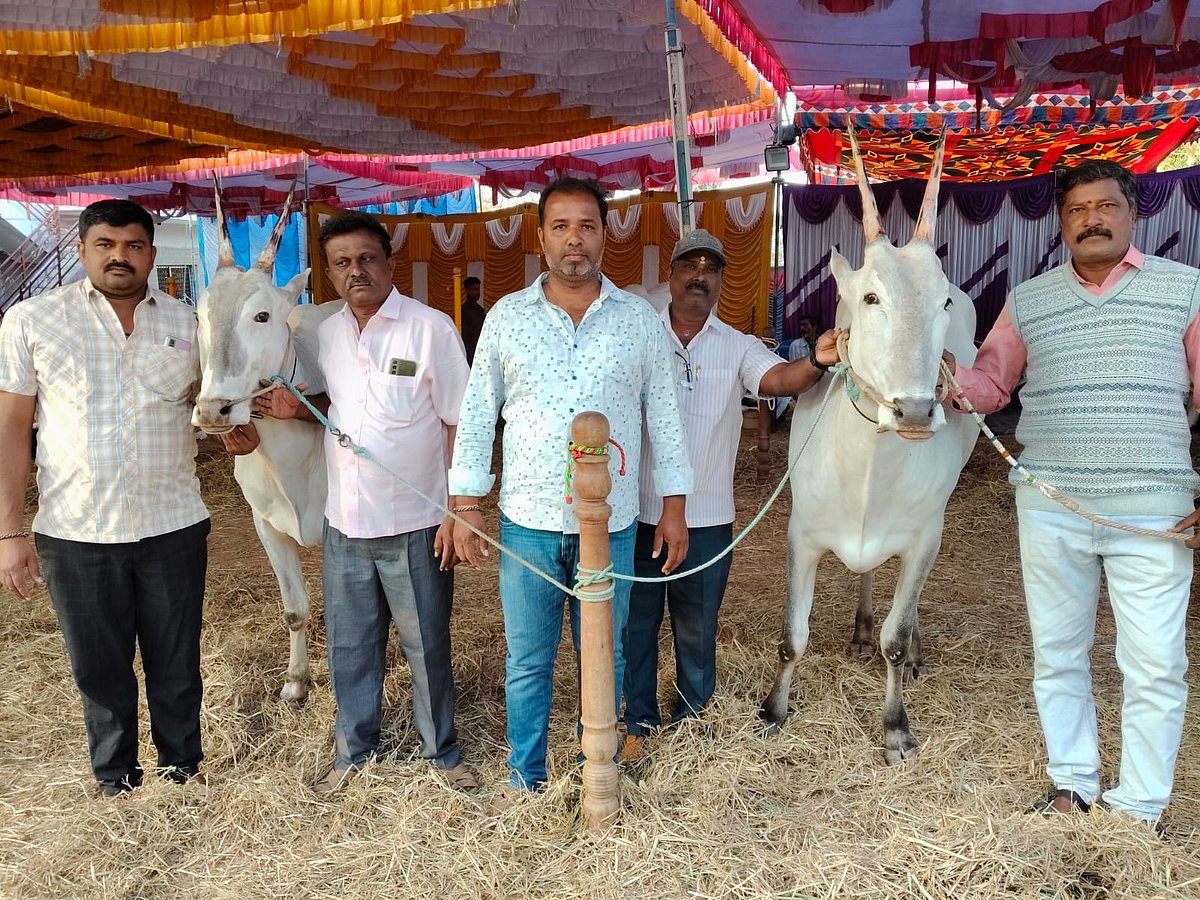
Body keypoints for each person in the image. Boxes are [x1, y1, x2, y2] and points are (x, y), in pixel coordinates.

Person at [944, 159, 1200, 826]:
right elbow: (991, 386)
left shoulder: (1186, 290)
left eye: (1106, 205)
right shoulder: (1029, 300)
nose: (1093, 218)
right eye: (1078, 209)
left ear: (1132, 214)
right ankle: (1073, 783)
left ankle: (1139, 806)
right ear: (1060, 224)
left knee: (1154, 663)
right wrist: (939, 371)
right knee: (1058, 651)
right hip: (1052, 505)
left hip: (1156, 512)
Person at [449, 176, 692, 792]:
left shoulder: (637, 320)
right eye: (560, 226)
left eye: (586, 225)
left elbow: (665, 419)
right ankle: (525, 778)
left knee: (603, 655)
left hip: (607, 526)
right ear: (541, 238)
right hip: (527, 521)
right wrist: (465, 503)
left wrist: (674, 509)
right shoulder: (507, 318)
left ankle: (597, 771)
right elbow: (478, 414)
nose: (574, 240)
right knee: (528, 661)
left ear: (605, 236)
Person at [236, 210, 478, 795]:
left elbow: (460, 422)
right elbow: (328, 392)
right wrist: (297, 405)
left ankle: (441, 753)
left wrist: (459, 509)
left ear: (388, 262)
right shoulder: (325, 334)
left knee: (427, 643)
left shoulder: (430, 329)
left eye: (366, 258)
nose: (355, 271)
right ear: (329, 271)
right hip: (345, 520)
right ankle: (353, 754)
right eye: (341, 263)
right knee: (350, 644)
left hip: (417, 520)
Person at [0, 199, 210, 797]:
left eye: (134, 245)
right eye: (105, 244)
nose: (120, 256)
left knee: (176, 661)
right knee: (99, 666)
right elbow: (11, 430)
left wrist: (241, 432)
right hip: (75, 529)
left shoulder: (189, 323)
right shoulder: (31, 321)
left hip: (172, 523)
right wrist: (10, 533)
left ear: (150, 250)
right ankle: (116, 779)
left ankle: (182, 772)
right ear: (82, 249)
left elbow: (215, 413)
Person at [621, 229, 838, 761]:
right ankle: (639, 725)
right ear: (669, 277)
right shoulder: (639, 336)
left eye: (710, 269)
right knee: (636, 628)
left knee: (697, 630)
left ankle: (694, 721)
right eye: (689, 266)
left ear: (721, 281)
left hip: (708, 519)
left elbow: (783, 380)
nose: (699, 276)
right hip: (637, 514)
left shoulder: (738, 346)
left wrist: (819, 359)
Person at [460, 276, 487, 365]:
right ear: (466, 290)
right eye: (474, 289)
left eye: (478, 289)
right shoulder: (464, 311)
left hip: (482, 352)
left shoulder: (480, 309)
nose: (477, 292)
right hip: (471, 355)